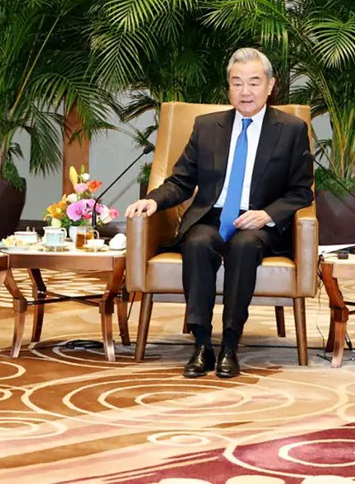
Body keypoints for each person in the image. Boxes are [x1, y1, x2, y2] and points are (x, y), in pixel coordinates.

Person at [125, 48, 314, 379]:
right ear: (228, 87)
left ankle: (230, 344)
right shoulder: (208, 127)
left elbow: (301, 191)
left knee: (244, 246)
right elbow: (182, 181)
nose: (245, 91)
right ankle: (201, 344)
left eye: (254, 82)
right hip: (212, 217)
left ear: (270, 86)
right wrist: (153, 201)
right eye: (237, 83)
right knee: (197, 243)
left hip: (259, 222)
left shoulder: (291, 129)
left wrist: (266, 214)